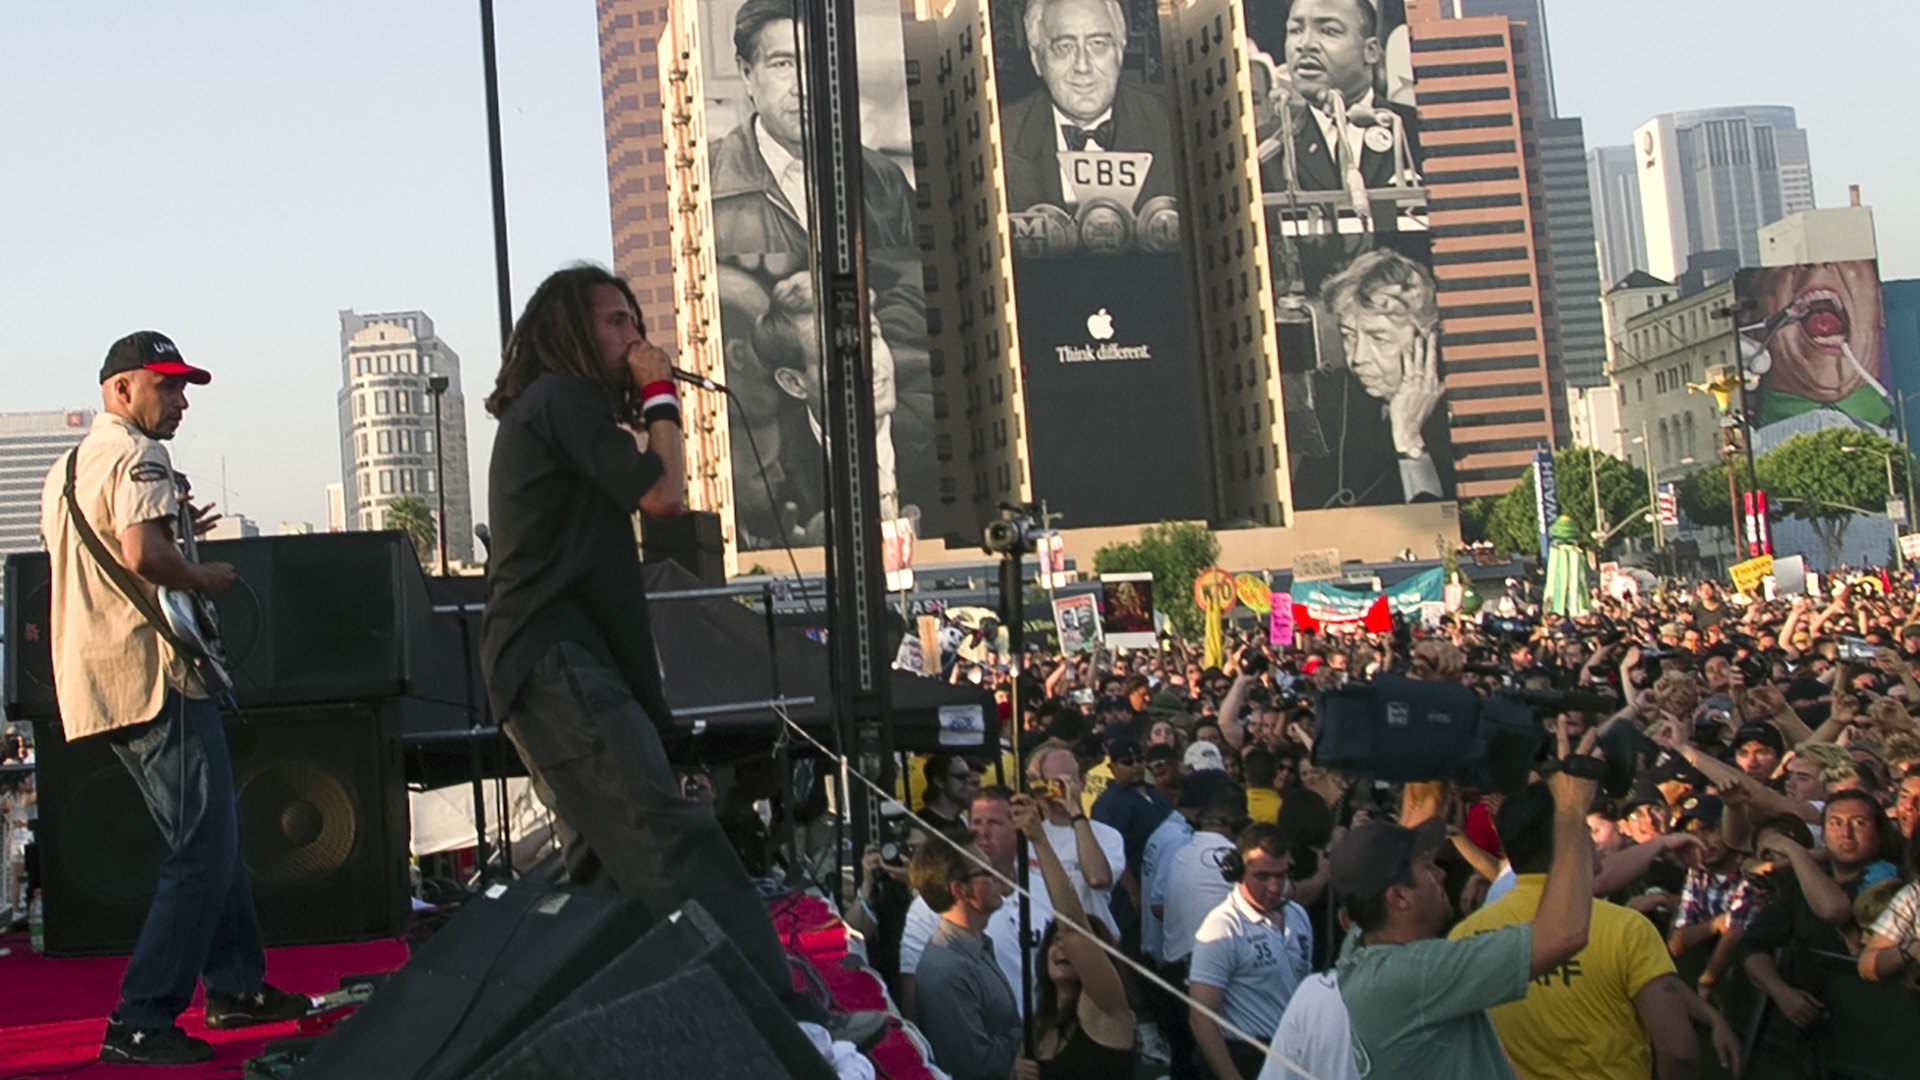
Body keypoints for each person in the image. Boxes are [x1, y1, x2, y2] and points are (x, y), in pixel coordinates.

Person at [479, 265, 844, 1034]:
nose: (637, 338)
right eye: (616, 322)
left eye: (634, 322)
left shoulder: (555, 414)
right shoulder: (560, 399)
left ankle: (607, 1026)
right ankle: (776, 1017)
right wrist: (660, 396)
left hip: (547, 669)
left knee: (607, 866)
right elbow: (664, 494)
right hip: (557, 665)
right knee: (670, 837)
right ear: (571, 332)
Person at [40, 332, 309, 1064]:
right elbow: (141, 557)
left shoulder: (68, 467)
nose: (182, 400)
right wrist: (201, 572)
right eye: (168, 386)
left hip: (100, 682)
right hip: (156, 676)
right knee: (203, 847)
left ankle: (235, 987)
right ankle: (141, 1017)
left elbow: (108, 554)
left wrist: (181, 533)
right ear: (120, 390)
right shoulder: (139, 455)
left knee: (208, 842)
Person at [1325, 745, 1598, 1078]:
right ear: (1398, 898)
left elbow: (1420, 810)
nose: (1441, 874)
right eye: (1428, 868)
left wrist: (1442, 738)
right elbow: (1563, 935)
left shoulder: (1361, 946)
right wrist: (1570, 810)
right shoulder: (1412, 976)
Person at [1448, 783, 1737, 1080]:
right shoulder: (1627, 929)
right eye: (1585, 831)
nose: (1595, 842)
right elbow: (1680, 1053)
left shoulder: (1467, 936)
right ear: (1570, 842)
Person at [708, 0, 916, 256]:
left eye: (818, 62)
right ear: (747, 74)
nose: (803, 88)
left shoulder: (884, 181)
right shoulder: (708, 184)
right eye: (782, 64)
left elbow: (916, 282)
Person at [1288, 246, 1451, 509]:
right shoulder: (1342, 413)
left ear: (1425, 340)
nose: (1357, 357)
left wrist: (1408, 438)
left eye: (1379, 338)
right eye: (1349, 337)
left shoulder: (1456, 422)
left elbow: (1438, 528)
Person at [998, 0, 1176, 215]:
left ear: (1120, 49)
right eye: (1064, 47)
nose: (1082, 66)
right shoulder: (999, 138)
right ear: (1037, 58)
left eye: (1098, 44)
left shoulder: (1176, 122)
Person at [1009, 793, 1138, 1079]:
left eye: (1067, 944)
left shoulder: (1106, 1009)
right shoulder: (1039, 1025)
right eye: (1053, 942)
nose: (1061, 948)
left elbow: (1072, 928)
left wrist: (1039, 840)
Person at [1257, 0, 1422, 197]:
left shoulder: (1417, 130)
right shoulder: (1264, 148)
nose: (1305, 44)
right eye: (1295, 30)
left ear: (1370, 51)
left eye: (1329, 31)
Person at [1188, 824, 1313, 1080]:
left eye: (1281, 875)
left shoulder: (1298, 916)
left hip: (1293, 1053)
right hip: (1246, 1057)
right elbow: (1201, 1019)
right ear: (1237, 872)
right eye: (1263, 876)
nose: (1275, 887)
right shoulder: (1222, 927)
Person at [909, 834, 1025, 1080]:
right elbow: (975, 1067)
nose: (998, 877)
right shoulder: (948, 972)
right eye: (987, 871)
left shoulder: (975, 949)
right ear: (960, 890)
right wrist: (1024, 1048)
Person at [921, 752, 982, 835]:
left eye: (968, 777)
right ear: (939, 781)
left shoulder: (960, 821)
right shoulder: (922, 824)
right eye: (961, 777)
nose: (968, 783)